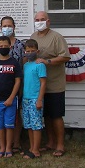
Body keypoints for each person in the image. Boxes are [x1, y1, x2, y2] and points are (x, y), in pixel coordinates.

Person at [30, 11, 70, 157]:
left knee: (56, 115)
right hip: (39, 86)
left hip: (54, 84)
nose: (39, 22)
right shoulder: (33, 37)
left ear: (48, 21)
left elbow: (65, 56)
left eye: (42, 19)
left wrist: (48, 61)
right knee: (45, 115)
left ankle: (60, 145)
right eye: (37, 19)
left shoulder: (56, 37)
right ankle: (50, 142)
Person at [0, 16, 26, 152]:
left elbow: (24, 64)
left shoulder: (20, 45)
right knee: (0, 117)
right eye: (4, 26)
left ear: (14, 27)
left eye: (9, 25)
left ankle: (15, 143)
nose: (7, 28)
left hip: (14, 83)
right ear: (0, 28)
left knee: (15, 114)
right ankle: (3, 146)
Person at [0, 36, 22, 158]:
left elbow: (18, 82)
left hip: (11, 101)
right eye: (0, 46)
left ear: (10, 47)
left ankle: (8, 148)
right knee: (0, 125)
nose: (3, 48)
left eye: (5, 46)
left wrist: (12, 98)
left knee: (9, 124)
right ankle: (1, 147)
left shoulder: (14, 63)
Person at [21, 39, 46, 159]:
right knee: (29, 125)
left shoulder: (39, 65)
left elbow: (43, 83)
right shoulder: (25, 65)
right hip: (26, 98)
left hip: (35, 99)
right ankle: (31, 147)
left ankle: (36, 150)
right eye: (27, 51)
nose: (30, 53)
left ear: (37, 51)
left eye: (32, 51)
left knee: (36, 125)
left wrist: (40, 99)